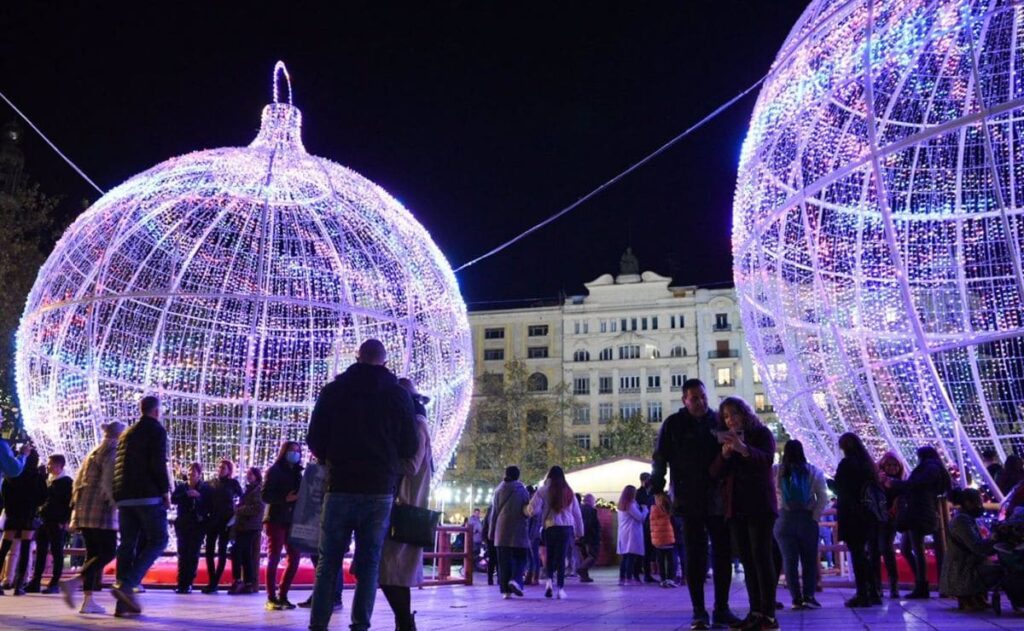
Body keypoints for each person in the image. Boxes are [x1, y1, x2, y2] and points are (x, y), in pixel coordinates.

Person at [306, 339, 418, 631]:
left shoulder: (334, 391)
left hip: (340, 485)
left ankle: (318, 625)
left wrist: (332, 458)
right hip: (379, 489)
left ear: (357, 358)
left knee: (327, 561)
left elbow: (315, 437)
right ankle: (360, 625)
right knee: (369, 564)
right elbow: (410, 444)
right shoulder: (397, 395)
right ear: (384, 362)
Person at [651, 378, 741, 630]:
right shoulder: (674, 424)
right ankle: (699, 611)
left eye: (702, 396)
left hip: (717, 496)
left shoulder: (717, 420)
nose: (700, 402)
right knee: (694, 554)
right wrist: (658, 490)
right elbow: (660, 459)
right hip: (688, 497)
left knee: (722, 553)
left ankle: (721, 609)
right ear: (684, 400)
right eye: (694, 398)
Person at [709, 396, 778, 631]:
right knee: (748, 561)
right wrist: (725, 455)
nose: (730, 420)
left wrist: (744, 450)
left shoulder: (761, 433)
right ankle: (755, 611)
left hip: (759, 506)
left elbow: (767, 459)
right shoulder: (725, 440)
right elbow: (715, 473)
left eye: (734, 414)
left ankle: (769, 615)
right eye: (726, 416)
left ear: (744, 413)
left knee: (761, 557)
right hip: (735, 508)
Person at [379, 378, 434, 630]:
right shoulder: (411, 424)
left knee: (391, 570)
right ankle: (404, 621)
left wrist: (378, 459)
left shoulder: (418, 425)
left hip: (405, 504)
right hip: (401, 503)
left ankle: (404, 621)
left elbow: (411, 465)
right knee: (393, 572)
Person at [110, 395, 170, 617]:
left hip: (125, 496)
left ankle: (122, 604)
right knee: (159, 539)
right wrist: (165, 491)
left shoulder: (127, 433)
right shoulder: (156, 430)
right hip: (147, 495)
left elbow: (120, 465)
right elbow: (157, 463)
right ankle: (127, 585)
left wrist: (118, 494)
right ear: (156, 411)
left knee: (127, 544)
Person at [59, 421, 125, 614]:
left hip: (84, 510)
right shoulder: (113, 452)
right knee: (108, 551)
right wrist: (118, 504)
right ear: (119, 436)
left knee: (93, 554)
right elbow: (110, 482)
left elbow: (79, 481)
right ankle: (74, 582)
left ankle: (88, 601)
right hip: (101, 512)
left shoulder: (94, 451)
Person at [773, 439, 828, 610]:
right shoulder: (814, 471)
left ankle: (795, 598)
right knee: (809, 560)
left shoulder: (776, 471)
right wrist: (815, 516)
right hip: (807, 518)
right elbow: (823, 497)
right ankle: (809, 596)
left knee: (789, 561)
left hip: (783, 519)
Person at [891, 445, 952, 599]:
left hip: (919, 512)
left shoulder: (929, 469)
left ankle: (922, 584)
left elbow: (917, 485)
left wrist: (896, 484)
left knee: (917, 548)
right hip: (919, 511)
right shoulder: (935, 468)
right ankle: (920, 581)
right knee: (907, 548)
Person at [834, 432, 882, 608]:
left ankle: (863, 593)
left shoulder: (847, 465)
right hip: (868, 515)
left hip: (852, 515)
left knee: (858, 554)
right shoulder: (867, 465)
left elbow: (841, 488)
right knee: (864, 555)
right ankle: (874, 591)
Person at [527, 465, 584, 599]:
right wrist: (580, 531)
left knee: (550, 556)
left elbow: (533, 509)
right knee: (562, 557)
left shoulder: (543, 490)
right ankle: (561, 589)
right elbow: (577, 513)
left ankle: (549, 583)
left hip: (550, 527)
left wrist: (527, 511)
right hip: (566, 528)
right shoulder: (569, 491)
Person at [940, 487, 1001, 611]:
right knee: (1001, 571)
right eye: (978, 502)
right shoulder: (962, 521)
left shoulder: (966, 519)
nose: (981, 506)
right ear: (968, 503)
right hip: (963, 571)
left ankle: (975, 596)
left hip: (965, 567)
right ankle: (968, 596)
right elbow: (976, 547)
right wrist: (994, 539)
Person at [262, 441, 303, 611]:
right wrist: (284, 499)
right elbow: (265, 495)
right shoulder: (274, 470)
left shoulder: (298, 473)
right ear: (284, 452)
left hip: (292, 520)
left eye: (298, 451)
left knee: (295, 558)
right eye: (292, 450)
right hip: (276, 518)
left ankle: (283, 594)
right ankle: (271, 597)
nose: (295, 454)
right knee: (274, 557)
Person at [25, 454, 73, 593]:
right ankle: (36, 580)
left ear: (60, 465)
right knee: (41, 550)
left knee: (57, 551)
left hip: (56, 521)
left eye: (51, 463)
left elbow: (69, 503)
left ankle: (54, 582)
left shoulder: (66, 482)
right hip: (44, 520)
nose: (48, 466)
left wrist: (64, 520)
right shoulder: (48, 480)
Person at [0, 449, 45, 595]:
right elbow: (42, 497)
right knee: (25, 549)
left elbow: (4, 493)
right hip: (28, 515)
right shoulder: (36, 476)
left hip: (12, 513)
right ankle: (19, 585)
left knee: (5, 548)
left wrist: (9, 507)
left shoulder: (12, 475)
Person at [486, 465, 530, 601]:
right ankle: (516, 579)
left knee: (503, 561)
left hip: (501, 529)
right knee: (522, 556)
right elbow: (527, 510)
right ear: (518, 476)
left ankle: (505, 591)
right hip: (518, 529)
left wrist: (491, 531)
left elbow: (494, 513)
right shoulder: (522, 490)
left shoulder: (498, 490)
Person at [202, 459, 242, 593]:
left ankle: (215, 581)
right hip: (212, 520)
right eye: (219, 467)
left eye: (224, 467)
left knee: (222, 551)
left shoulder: (233, 483)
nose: (220, 469)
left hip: (226, 521)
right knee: (209, 551)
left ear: (229, 470)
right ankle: (212, 579)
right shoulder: (211, 483)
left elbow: (242, 498)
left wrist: (235, 513)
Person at [172, 462, 211, 594]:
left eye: (193, 473)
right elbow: (173, 499)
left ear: (199, 475)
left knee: (193, 554)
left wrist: (198, 497)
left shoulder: (205, 488)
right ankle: (181, 583)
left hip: (197, 525)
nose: (190, 475)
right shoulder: (182, 487)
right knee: (182, 553)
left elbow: (209, 505)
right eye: (189, 472)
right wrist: (186, 495)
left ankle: (189, 583)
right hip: (183, 524)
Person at [228, 466, 263, 595]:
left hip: (250, 526)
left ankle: (240, 580)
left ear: (256, 476)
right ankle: (247, 582)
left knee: (238, 552)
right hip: (244, 526)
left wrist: (240, 509)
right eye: (248, 474)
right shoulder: (249, 490)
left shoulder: (258, 490)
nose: (248, 476)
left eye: (251, 474)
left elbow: (258, 508)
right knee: (245, 554)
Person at [877, 451, 907, 599]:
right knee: (875, 550)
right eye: (888, 464)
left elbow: (903, 497)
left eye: (895, 465)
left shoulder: (901, 482)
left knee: (886, 548)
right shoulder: (877, 480)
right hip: (878, 518)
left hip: (891, 519)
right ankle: (878, 586)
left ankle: (893, 585)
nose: (892, 468)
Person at [617, 484, 647, 586]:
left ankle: (622, 578)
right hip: (631, 533)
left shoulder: (622, 504)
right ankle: (628, 579)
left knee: (625, 556)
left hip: (624, 533)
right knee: (631, 556)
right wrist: (645, 509)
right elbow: (640, 518)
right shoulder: (630, 505)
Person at [650, 492, 677, 588]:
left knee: (660, 560)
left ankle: (663, 579)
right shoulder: (669, 509)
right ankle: (670, 578)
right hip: (669, 537)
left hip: (658, 538)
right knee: (670, 559)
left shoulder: (654, 509)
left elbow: (652, 524)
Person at [636, 472, 657, 583]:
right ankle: (646, 574)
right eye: (647, 479)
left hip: (655, 523)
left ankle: (652, 572)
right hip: (644, 524)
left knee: (654, 550)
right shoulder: (639, 493)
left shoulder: (654, 492)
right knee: (646, 549)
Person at [577, 493, 600, 583]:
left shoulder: (580, 509)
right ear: (591, 501)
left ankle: (584, 576)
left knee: (585, 556)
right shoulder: (591, 510)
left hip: (582, 537)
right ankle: (581, 569)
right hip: (591, 537)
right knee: (593, 555)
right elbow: (588, 524)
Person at [525, 486, 542, 586]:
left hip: (532, 534)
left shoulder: (534, 504)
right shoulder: (537, 503)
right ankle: (531, 576)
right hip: (533, 533)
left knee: (533, 555)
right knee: (532, 556)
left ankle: (533, 577)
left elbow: (531, 520)